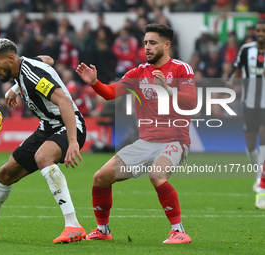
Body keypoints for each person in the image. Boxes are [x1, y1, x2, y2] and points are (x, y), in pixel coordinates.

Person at [0, 38, 87, 243]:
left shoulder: (32, 76)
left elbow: (64, 101)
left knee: (43, 157)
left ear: (11, 58)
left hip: (69, 125)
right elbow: (47, 59)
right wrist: (15, 88)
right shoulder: (22, 68)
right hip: (46, 127)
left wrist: (73, 140)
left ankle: (73, 225)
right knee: (5, 173)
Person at [76, 23, 196, 243]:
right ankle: (103, 231)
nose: (147, 47)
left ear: (167, 45)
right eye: (145, 43)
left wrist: (168, 89)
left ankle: (179, 231)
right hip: (146, 142)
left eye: (153, 43)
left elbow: (191, 101)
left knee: (157, 175)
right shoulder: (139, 72)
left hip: (175, 141)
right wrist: (95, 83)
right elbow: (111, 93)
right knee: (100, 178)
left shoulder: (181, 69)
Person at [228, 20, 265, 205]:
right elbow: (237, 70)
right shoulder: (246, 50)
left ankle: (261, 183)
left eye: (263, 31)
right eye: (258, 30)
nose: (260, 33)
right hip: (249, 103)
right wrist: (231, 82)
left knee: (263, 137)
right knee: (251, 146)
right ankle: (258, 174)